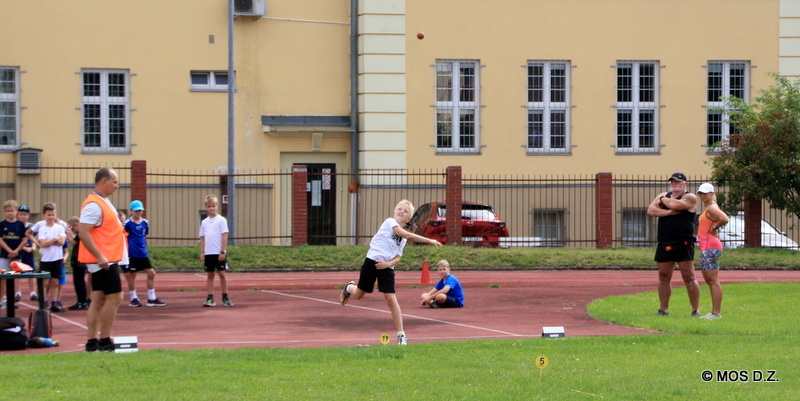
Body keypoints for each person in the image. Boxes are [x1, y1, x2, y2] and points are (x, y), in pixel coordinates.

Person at [338, 200, 443, 345]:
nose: (401, 211)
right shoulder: (389, 222)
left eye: (406, 211)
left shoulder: (403, 239)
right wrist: (429, 240)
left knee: (391, 299)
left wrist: (388, 264)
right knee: (359, 295)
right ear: (394, 212)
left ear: (408, 219)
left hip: (387, 268)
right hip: (372, 261)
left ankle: (401, 336)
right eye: (399, 209)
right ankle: (349, 287)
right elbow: (407, 235)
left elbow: (398, 257)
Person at [78, 167, 128, 352]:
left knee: (98, 299)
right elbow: (84, 232)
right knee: (115, 296)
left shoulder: (103, 202)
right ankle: (105, 340)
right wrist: (99, 256)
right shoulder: (94, 204)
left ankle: (92, 342)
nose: (118, 186)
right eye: (115, 182)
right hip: (103, 260)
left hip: (106, 258)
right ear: (103, 182)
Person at [647, 172, 701, 317]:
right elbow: (651, 211)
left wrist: (663, 201)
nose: (674, 183)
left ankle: (695, 309)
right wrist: (669, 213)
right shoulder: (664, 195)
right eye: (672, 181)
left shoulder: (690, 197)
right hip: (665, 241)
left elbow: (677, 204)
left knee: (688, 276)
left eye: (677, 181)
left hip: (683, 242)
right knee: (663, 276)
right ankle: (663, 309)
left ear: (685, 183)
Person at [25, 203, 67, 312]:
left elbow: (62, 242)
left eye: (53, 214)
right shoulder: (42, 228)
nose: (51, 217)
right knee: (44, 282)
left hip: (57, 258)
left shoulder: (59, 227)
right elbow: (43, 243)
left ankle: (54, 302)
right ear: (44, 216)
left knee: (55, 282)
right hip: (46, 259)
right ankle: (43, 301)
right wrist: (54, 240)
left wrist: (53, 241)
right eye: (49, 215)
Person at [123, 200, 165, 307]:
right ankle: (133, 298)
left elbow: (144, 235)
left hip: (143, 253)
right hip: (132, 253)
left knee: (151, 273)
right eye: (136, 211)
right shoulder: (127, 224)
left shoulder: (145, 223)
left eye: (140, 211)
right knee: (132, 275)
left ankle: (151, 297)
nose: (138, 213)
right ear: (131, 211)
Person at [696, 183, 729, 320]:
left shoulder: (711, 208)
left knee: (713, 280)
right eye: (701, 193)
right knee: (710, 280)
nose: (703, 196)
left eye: (705, 193)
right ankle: (714, 312)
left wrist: (715, 226)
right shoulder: (709, 208)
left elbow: (724, 218)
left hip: (710, 246)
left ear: (712, 194)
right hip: (708, 246)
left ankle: (716, 313)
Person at [199, 195, 232, 307]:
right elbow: (203, 237)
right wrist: (202, 251)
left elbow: (224, 236)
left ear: (217, 206)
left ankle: (225, 297)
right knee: (210, 275)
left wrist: (222, 251)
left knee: (222, 274)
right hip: (209, 253)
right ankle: (210, 298)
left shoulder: (221, 220)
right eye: (209, 206)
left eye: (213, 206)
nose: (211, 208)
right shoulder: (204, 222)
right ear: (206, 207)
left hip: (218, 253)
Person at [0, 200, 26, 310]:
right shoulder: (2, 224)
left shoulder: (20, 225)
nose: (10, 213)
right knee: (2, 277)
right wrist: (9, 251)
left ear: (16, 211)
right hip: (4, 255)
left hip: (17, 255)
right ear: (5, 212)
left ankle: (12, 299)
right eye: (8, 211)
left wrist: (16, 251)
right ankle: (1, 299)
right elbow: (0, 240)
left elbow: (24, 239)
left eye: (12, 210)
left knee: (15, 277)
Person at [66, 216, 91, 310]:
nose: (72, 230)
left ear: (76, 225)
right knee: (79, 281)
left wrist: (68, 233)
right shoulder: (81, 232)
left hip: (79, 259)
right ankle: (82, 300)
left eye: (72, 228)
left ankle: (82, 301)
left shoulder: (81, 232)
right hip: (80, 259)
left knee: (79, 281)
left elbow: (72, 242)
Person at [17, 205, 38, 302]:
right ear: (18, 215)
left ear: (28, 215)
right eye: (21, 214)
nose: (23, 216)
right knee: (17, 272)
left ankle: (33, 292)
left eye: (25, 214)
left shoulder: (31, 226)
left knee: (31, 271)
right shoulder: (16, 226)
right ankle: (17, 292)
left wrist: (33, 247)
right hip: (20, 251)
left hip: (29, 252)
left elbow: (33, 238)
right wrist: (24, 248)